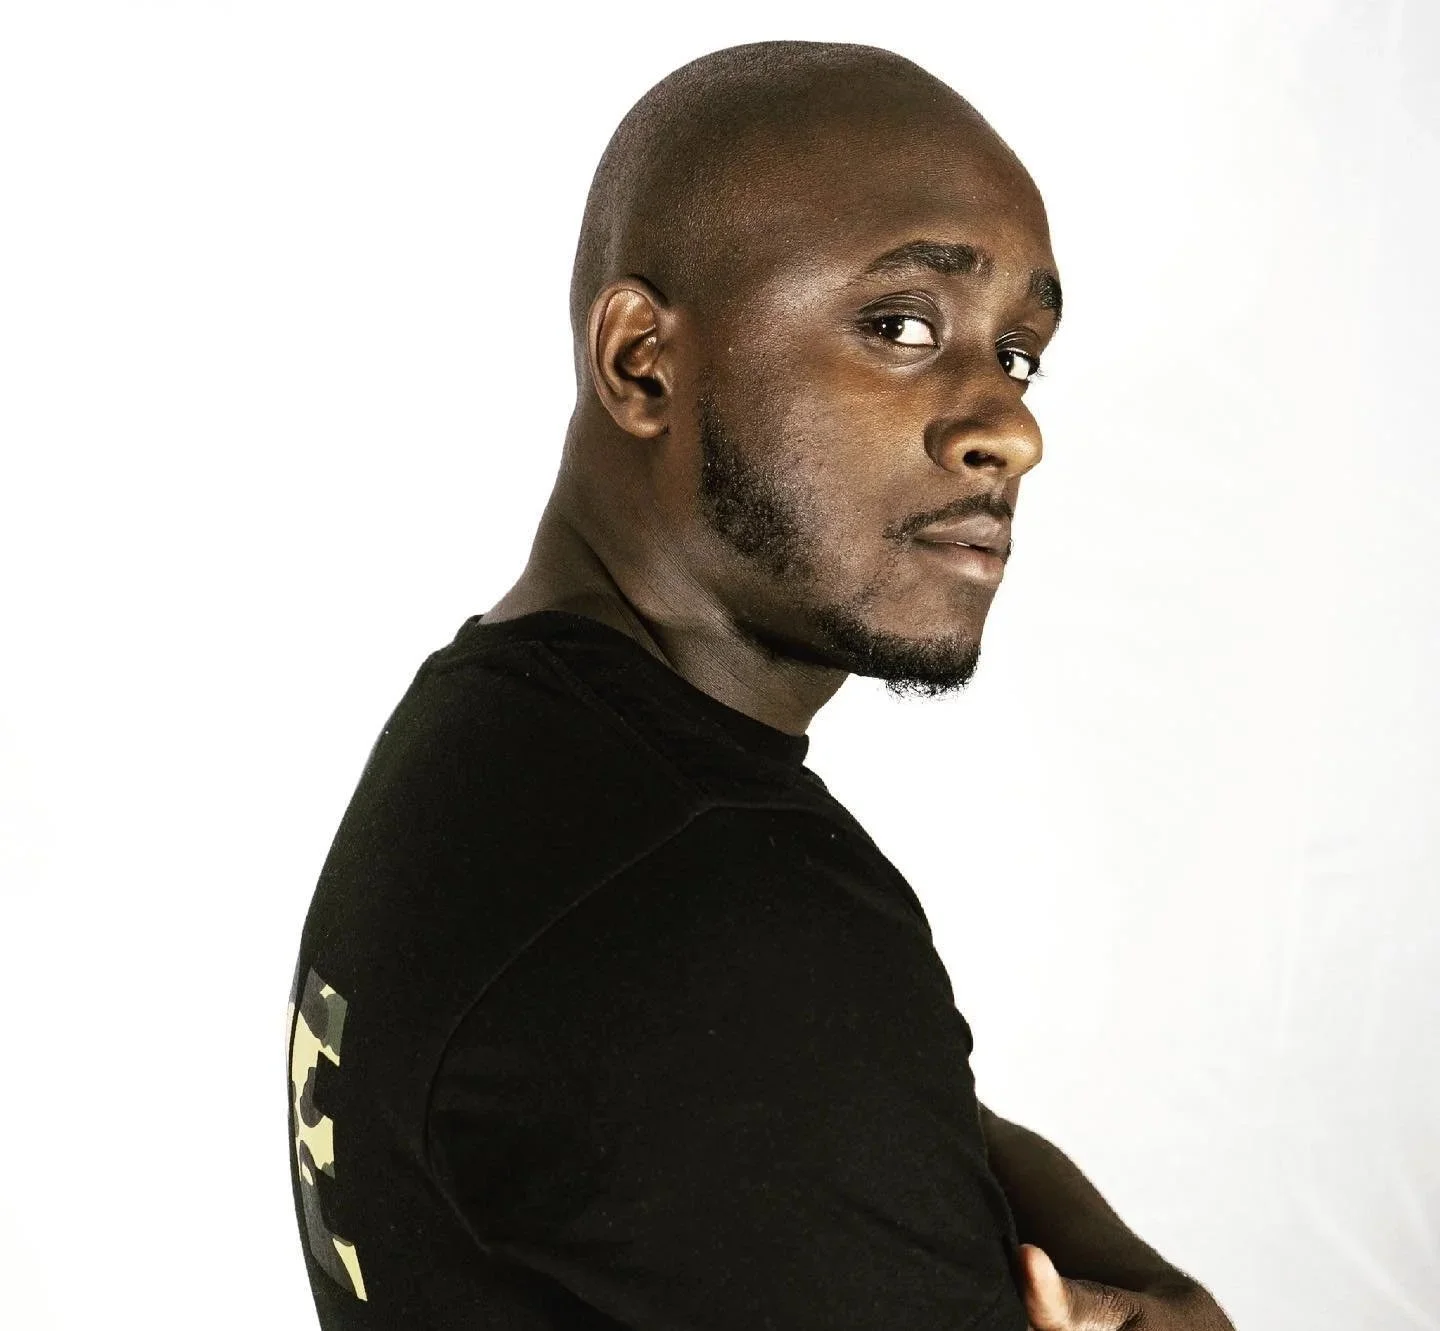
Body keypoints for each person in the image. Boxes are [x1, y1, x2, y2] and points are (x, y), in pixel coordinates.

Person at [285, 40, 1235, 1331]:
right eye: (901, 325)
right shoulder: (725, 912)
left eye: (1019, 352)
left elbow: (908, 1116)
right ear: (641, 363)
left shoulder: (504, 742)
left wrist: (1160, 1294)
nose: (1010, 428)